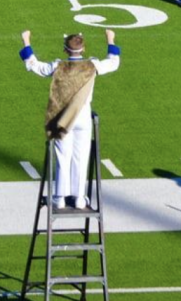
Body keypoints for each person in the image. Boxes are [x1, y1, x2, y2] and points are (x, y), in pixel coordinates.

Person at [21, 29, 121, 210]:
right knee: (81, 157)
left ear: (65, 49)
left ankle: (59, 198)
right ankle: (80, 198)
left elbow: (34, 65)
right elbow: (114, 62)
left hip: (63, 117)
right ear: (83, 49)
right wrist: (110, 39)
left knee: (62, 157)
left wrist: (26, 42)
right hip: (83, 116)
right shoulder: (92, 66)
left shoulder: (58, 66)